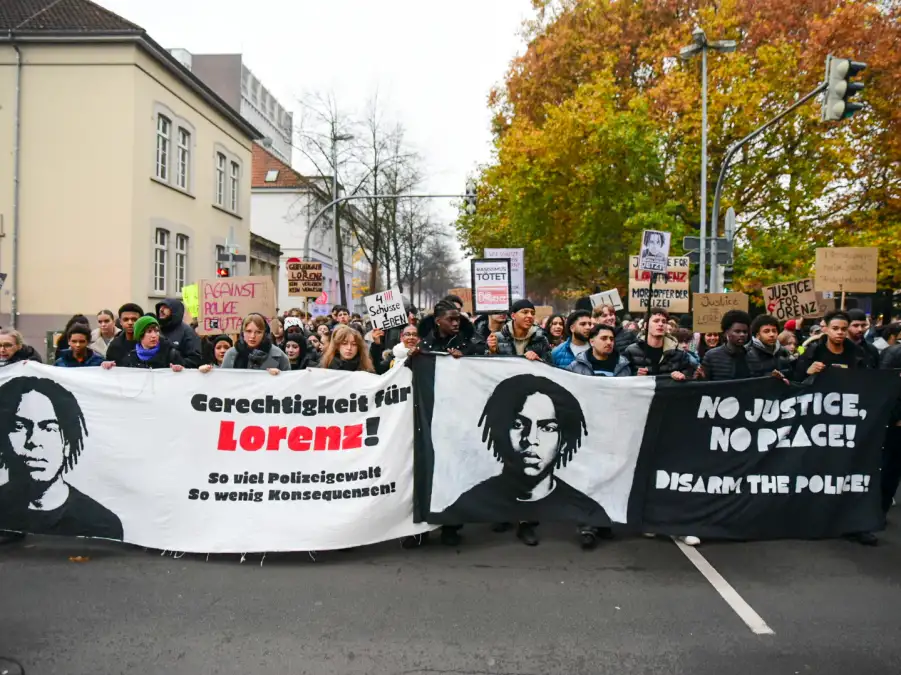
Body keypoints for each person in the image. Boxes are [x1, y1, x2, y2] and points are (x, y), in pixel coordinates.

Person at [436, 374, 609, 548]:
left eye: (548, 428)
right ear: (501, 431)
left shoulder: (581, 503)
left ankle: (527, 525)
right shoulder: (469, 500)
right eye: (518, 425)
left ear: (563, 441)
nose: (531, 439)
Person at [0, 376, 123, 539]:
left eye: (49, 428)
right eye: (20, 427)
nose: (34, 441)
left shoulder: (100, 523)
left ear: (67, 443)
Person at [623, 309, 696, 380]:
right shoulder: (631, 351)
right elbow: (623, 379)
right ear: (646, 325)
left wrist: (682, 376)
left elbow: (689, 375)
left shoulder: (679, 353)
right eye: (656, 321)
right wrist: (636, 376)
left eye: (664, 322)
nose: (660, 324)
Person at [794, 310, 866, 381]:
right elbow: (796, 381)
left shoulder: (857, 353)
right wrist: (808, 373)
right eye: (835, 328)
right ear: (826, 329)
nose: (840, 332)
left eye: (844, 329)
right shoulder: (811, 352)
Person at [210, 314, 289, 374]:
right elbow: (222, 382)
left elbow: (289, 384)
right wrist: (204, 374)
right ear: (242, 332)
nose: (252, 336)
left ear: (264, 334)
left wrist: (280, 376)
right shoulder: (231, 354)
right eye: (248, 331)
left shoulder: (279, 356)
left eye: (258, 332)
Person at [102, 316, 185, 371]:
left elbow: (185, 378)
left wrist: (179, 370)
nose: (154, 336)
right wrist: (109, 367)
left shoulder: (171, 354)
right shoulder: (130, 357)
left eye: (156, 331)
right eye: (149, 331)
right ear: (140, 335)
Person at [488, 299, 553, 363]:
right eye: (525, 312)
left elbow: (549, 365)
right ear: (513, 316)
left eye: (532, 313)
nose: (530, 316)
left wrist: (538, 360)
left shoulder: (540, 338)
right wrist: (492, 351)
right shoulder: (497, 338)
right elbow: (489, 366)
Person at [695, 311, 752, 381]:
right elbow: (704, 385)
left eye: (745, 332)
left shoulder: (752, 356)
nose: (742, 335)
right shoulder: (711, 356)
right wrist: (700, 378)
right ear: (726, 333)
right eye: (737, 331)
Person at [418, 301, 487, 357]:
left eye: (457, 319)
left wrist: (463, 357)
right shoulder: (424, 345)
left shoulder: (469, 343)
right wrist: (412, 357)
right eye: (450, 319)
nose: (455, 323)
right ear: (438, 321)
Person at [155, 299, 202, 368]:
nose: (161, 310)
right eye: (160, 307)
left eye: (165, 307)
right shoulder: (156, 330)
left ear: (175, 311)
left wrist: (178, 362)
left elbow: (195, 360)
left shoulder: (187, 332)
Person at [746, 315, 793, 379]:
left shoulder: (783, 351)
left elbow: (792, 371)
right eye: (766, 331)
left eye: (774, 331)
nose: (772, 334)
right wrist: (769, 376)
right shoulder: (748, 353)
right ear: (757, 335)